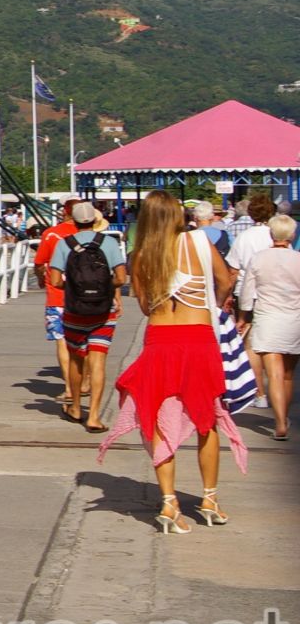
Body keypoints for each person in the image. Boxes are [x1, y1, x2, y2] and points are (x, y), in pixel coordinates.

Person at [99, 190, 247, 534]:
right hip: (199, 340)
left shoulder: (140, 255)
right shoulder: (198, 241)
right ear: (178, 214)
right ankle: (209, 499)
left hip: (160, 342)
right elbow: (225, 282)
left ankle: (168, 502)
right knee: (205, 417)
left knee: (159, 418)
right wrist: (213, 303)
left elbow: (146, 307)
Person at [48, 202, 128, 431]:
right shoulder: (109, 243)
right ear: (95, 221)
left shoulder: (65, 244)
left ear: (73, 221)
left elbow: (54, 281)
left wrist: (74, 288)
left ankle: (75, 407)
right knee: (98, 361)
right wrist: (103, 287)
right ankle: (93, 416)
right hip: (103, 311)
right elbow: (121, 278)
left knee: (76, 359)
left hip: (74, 312)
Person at [240, 213, 300, 439]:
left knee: (273, 374)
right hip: (294, 319)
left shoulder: (259, 258)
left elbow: (247, 292)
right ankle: (284, 417)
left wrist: (244, 316)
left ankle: (279, 422)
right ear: (292, 235)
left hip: (267, 317)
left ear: (271, 234)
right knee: (287, 375)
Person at [227, 194, 277, 407]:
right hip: (274, 291)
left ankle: (260, 393)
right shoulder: (276, 235)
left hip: (246, 292)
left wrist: (227, 295)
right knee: (274, 343)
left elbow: (233, 269)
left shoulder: (244, 237)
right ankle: (276, 386)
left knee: (251, 343)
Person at [34, 197, 81, 403]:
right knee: (84, 341)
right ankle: (85, 381)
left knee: (62, 341)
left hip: (58, 296)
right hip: (86, 297)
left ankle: (70, 388)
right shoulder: (92, 235)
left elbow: (39, 262)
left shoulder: (51, 234)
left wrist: (40, 280)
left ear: (65, 212)